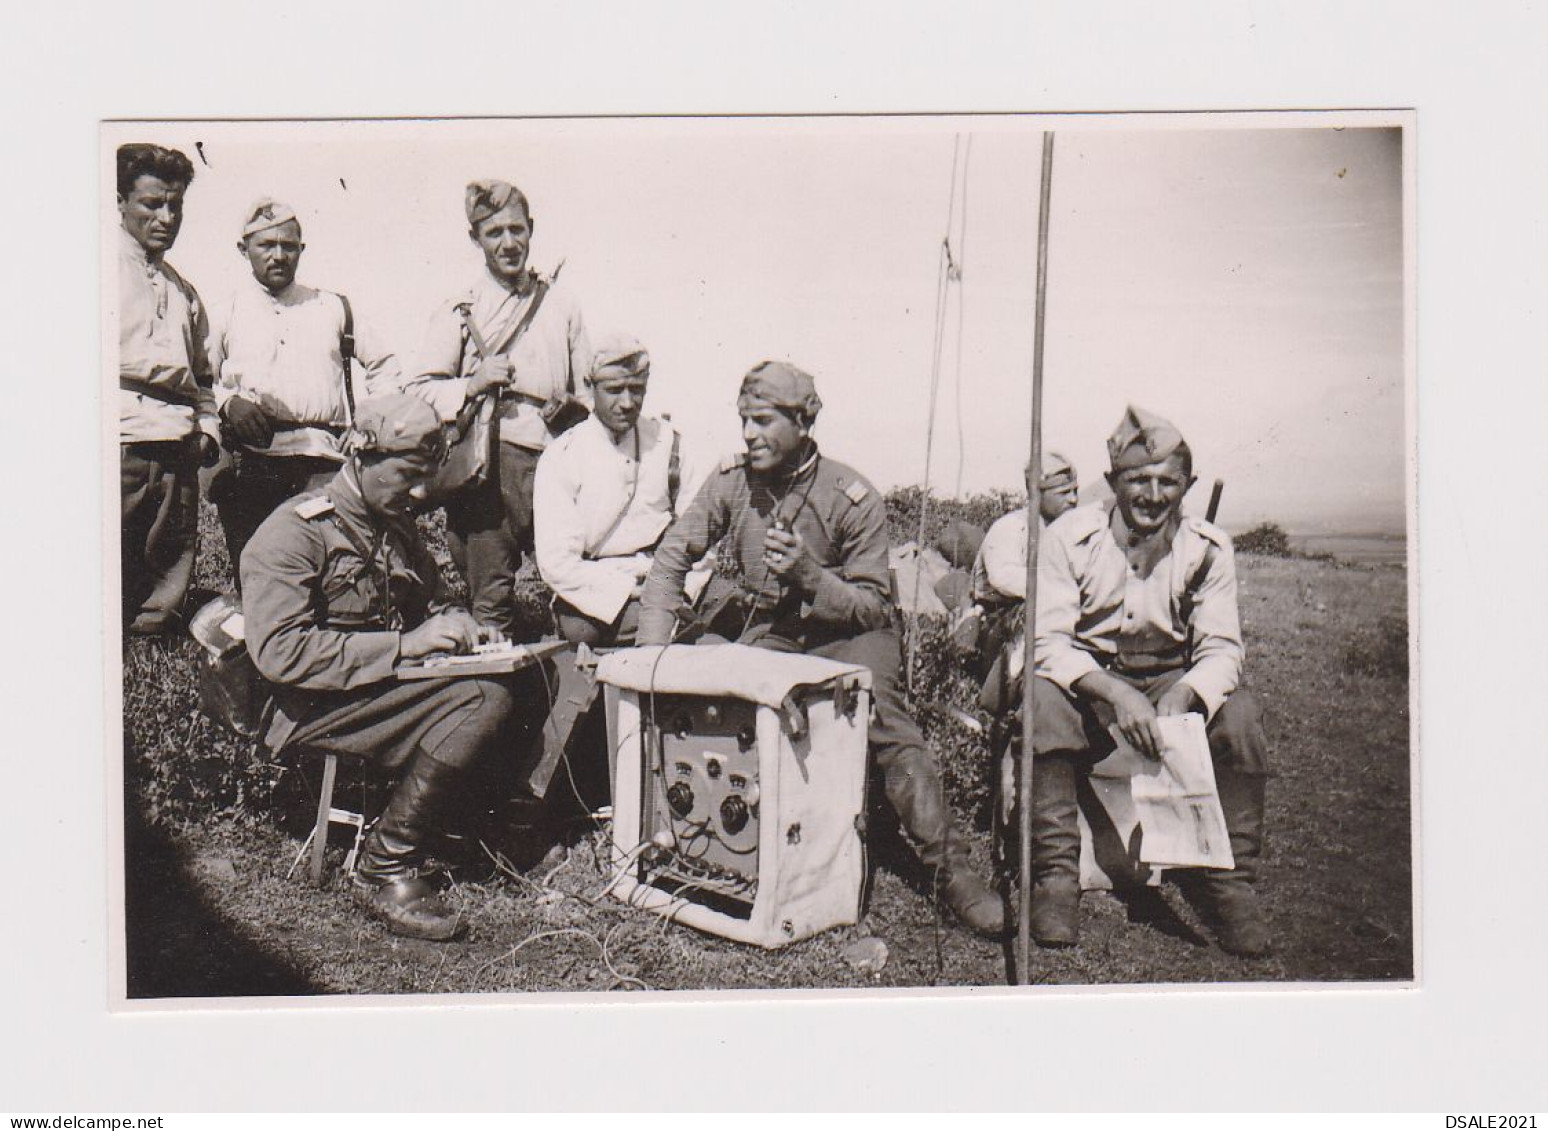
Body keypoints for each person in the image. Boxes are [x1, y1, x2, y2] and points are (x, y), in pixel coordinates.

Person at [637, 361, 1006, 939]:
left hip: (850, 631)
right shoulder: (732, 481)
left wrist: (810, 574)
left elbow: (873, 607)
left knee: (883, 719)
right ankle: (733, 845)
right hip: (778, 631)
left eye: (763, 421)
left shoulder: (851, 495)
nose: (749, 435)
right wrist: (650, 666)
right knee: (729, 695)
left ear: (804, 422)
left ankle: (951, 870)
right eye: (744, 421)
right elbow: (671, 559)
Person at [241, 394, 522, 942]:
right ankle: (382, 866)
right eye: (408, 476)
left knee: (524, 677)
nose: (420, 493)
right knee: (483, 699)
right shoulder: (295, 531)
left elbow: (424, 605)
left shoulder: (394, 523)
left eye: (427, 478)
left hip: (371, 692)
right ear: (361, 455)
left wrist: (460, 626)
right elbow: (280, 652)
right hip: (310, 708)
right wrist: (404, 646)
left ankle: (479, 827)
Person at [1026, 406, 1272, 956]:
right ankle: (1055, 877)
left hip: (1169, 677)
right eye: (1139, 480)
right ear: (1113, 483)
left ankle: (1230, 886)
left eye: (1169, 482)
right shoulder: (1070, 538)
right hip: (1089, 678)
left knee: (1240, 718)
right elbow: (1048, 643)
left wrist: (1185, 694)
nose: (1153, 495)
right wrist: (1115, 693)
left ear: (1187, 486)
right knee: (1040, 700)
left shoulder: (1207, 547)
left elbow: (1221, 650)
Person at [405, 179, 591, 639]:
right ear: (476, 239)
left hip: (554, 465)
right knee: (492, 600)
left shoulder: (561, 304)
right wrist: (472, 383)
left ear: (532, 230)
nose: (509, 243)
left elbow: (589, 392)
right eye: (494, 233)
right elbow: (419, 389)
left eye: (517, 229)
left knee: (574, 589)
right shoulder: (461, 308)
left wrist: (572, 404)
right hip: (488, 470)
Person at [208, 198, 401, 580]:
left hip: (323, 460)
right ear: (243, 250)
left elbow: (385, 365)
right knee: (259, 567)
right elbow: (199, 381)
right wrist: (228, 403)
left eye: (288, 246)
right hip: (254, 460)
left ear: (301, 249)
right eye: (266, 246)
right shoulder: (226, 312)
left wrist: (369, 423)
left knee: (330, 563)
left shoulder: (332, 307)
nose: (278, 255)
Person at [533, 330, 705, 647]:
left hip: (670, 580)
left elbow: (702, 537)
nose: (627, 403)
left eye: (636, 390)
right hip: (601, 596)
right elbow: (558, 562)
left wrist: (678, 587)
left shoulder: (670, 444)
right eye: (614, 390)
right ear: (590, 387)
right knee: (654, 626)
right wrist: (628, 590)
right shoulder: (563, 457)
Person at [117, 142, 220, 635]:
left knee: (169, 553)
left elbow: (203, 376)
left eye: (175, 205)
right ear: (121, 202)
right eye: (152, 204)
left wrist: (207, 428)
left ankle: (154, 640)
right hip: (120, 431)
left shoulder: (183, 289)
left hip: (175, 436)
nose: (166, 217)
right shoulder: (100, 269)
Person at [970, 451, 1079, 608]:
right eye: (1064, 493)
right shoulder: (1011, 527)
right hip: (998, 614)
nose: (1073, 499)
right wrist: (1062, 586)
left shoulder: (1067, 530)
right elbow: (1004, 577)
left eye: (1075, 491)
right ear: (1037, 494)